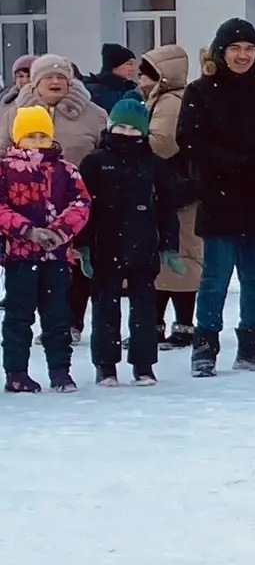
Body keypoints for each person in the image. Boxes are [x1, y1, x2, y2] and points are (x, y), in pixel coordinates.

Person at [177, 18, 255, 377]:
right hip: (220, 197)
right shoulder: (200, 92)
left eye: (250, 49)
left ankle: (250, 346)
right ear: (221, 52)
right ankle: (205, 346)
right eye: (236, 49)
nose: (243, 55)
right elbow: (190, 139)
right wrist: (230, 165)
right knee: (215, 277)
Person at [75, 98, 184, 386]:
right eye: (120, 127)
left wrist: (169, 245)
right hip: (104, 244)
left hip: (143, 245)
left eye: (133, 129)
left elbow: (167, 208)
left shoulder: (154, 165)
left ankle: (144, 365)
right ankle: (106, 365)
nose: (125, 134)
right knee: (104, 307)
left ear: (144, 132)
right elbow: (83, 207)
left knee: (145, 308)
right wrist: (82, 245)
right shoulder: (95, 162)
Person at [18, 56, 109, 342]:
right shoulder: (16, 110)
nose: (56, 82)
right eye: (49, 77)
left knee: (78, 262)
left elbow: (105, 150)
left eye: (61, 77)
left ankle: (72, 322)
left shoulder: (93, 113)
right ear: (36, 82)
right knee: (34, 267)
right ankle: (39, 322)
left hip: (79, 197)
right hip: (29, 202)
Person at [1, 105, 90, 393]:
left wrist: (58, 231)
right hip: (20, 257)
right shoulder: (5, 170)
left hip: (56, 257)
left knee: (57, 317)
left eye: (43, 136)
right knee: (18, 316)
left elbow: (81, 204)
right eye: (30, 136)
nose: (37, 142)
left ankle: (61, 371)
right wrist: (27, 230)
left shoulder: (66, 170)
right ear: (17, 138)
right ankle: (16, 372)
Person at [143, 45, 202, 347]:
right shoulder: (172, 98)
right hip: (179, 188)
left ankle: (177, 325)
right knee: (176, 256)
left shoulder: (169, 102)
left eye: (146, 73)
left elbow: (162, 143)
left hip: (175, 190)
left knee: (177, 256)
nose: (140, 79)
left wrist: (130, 142)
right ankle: (174, 323)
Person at [86, 43, 141, 112]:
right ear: (114, 65)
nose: (133, 69)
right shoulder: (93, 92)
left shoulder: (131, 89)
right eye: (129, 64)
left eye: (134, 64)